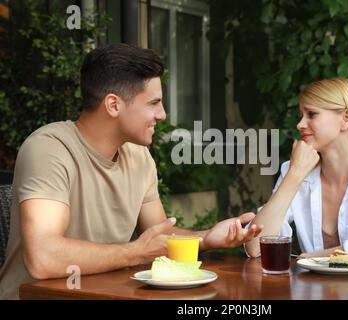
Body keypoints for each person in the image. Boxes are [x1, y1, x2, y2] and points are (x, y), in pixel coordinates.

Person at [0, 44, 263, 299]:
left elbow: (157, 238)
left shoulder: (138, 157)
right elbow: (43, 258)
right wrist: (136, 252)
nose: (162, 114)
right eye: (154, 103)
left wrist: (206, 237)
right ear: (113, 105)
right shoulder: (49, 149)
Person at [245, 78, 348, 267]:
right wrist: (294, 174)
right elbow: (255, 246)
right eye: (301, 115)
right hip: (314, 292)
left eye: (311, 114)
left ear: (346, 119)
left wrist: (312, 258)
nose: (300, 124)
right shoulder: (295, 169)